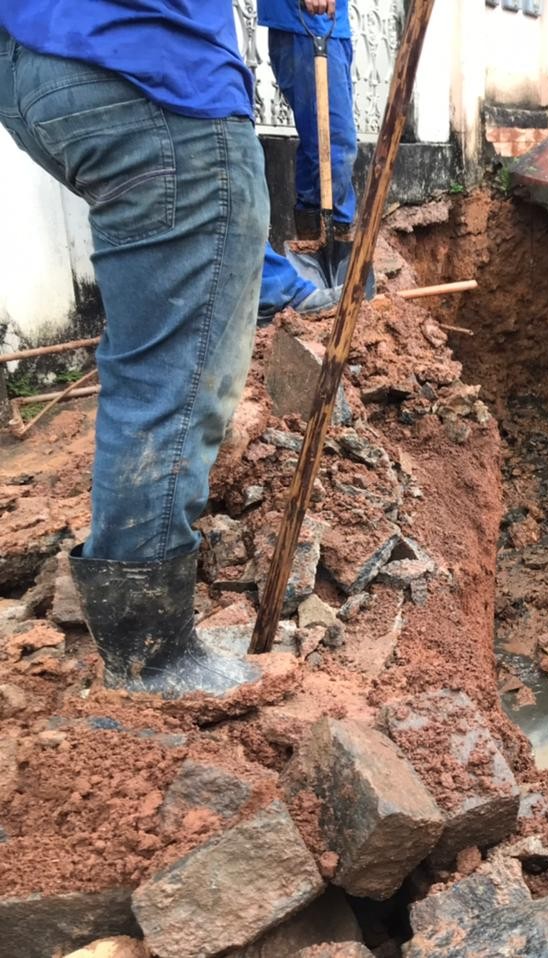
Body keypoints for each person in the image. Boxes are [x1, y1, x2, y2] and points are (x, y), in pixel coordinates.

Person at [0, 2, 333, 697]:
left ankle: (138, 627)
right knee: (171, 382)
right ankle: (154, 658)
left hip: (35, 60)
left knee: (154, 343)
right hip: (148, 68)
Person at [256, 0, 359, 323]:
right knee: (334, 143)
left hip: (332, 22)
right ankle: (320, 245)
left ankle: (331, 242)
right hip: (301, 19)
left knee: (327, 144)